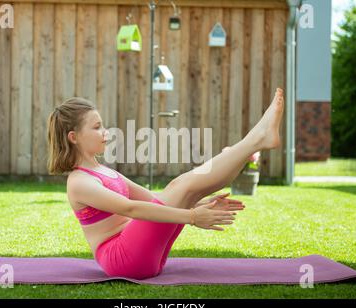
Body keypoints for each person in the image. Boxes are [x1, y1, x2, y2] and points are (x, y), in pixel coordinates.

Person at [47, 88, 285, 279]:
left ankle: (254, 143)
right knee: (181, 186)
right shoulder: (78, 182)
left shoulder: (103, 171)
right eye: (97, 127)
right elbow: (131, 209)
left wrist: (199, 203)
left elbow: (151, 199)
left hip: (143, 254)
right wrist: (192, 217)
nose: (106, 132)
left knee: (188, 190)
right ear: (74, 137)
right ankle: (256, 140)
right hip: (121, 258)